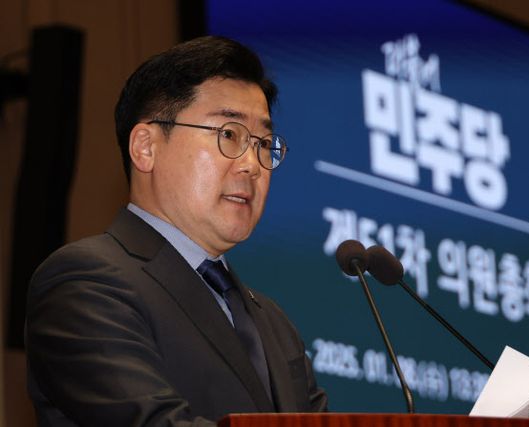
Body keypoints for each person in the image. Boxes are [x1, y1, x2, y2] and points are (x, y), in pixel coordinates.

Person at [25, 35, 328, 426]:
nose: (252, 165)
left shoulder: (273, 323)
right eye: (229, 134)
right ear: (145, 147)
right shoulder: (86, 283)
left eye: (263, 144)